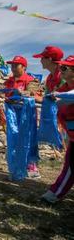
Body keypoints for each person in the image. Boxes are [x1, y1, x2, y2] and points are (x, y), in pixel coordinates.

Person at [42, 55, 74, 203]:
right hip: (71, 133)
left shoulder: (66, 91)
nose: (61, 70)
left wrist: (58, 96)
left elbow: (65, 97)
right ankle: (55, 193)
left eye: (64, 68)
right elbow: (55, 100)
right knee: (70, 164)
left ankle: (55, 193)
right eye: (61, 67)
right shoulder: (64, 88)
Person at [4, 55, 41, 178]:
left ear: (23, 67)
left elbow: (33, 95)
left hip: (26, 114)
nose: (13, 67)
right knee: (14, 137)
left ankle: (31, 166)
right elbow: (5, 94)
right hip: (13, 114)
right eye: (12, 65)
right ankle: (17, 164)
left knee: (29, 136)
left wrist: (22, 94)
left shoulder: (31, 80)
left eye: (16, 65)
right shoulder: (9, 82)